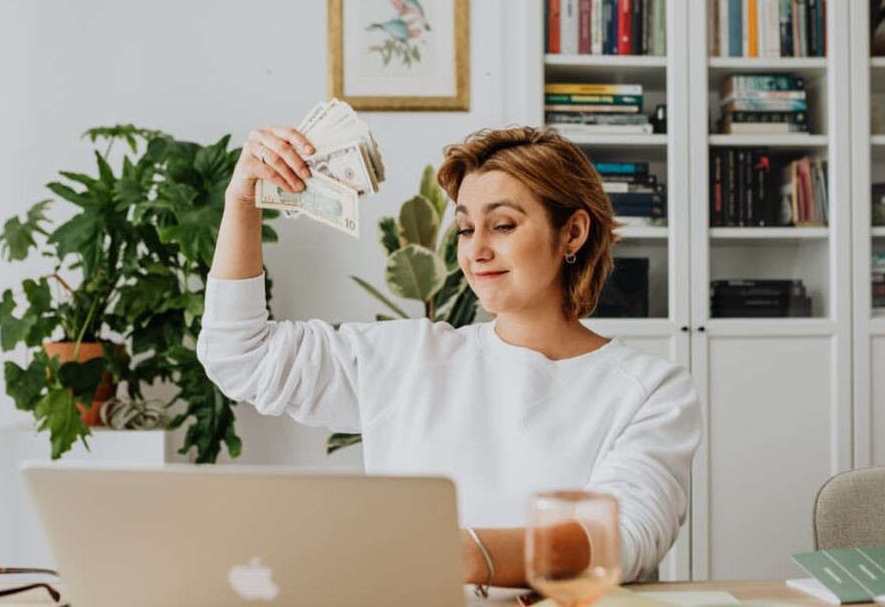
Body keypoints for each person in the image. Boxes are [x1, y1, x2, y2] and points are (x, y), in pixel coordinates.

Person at [197, 124, 701, 592]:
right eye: (464, 229)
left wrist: (459, 552)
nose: (476, 250)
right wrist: (242, 203)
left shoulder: (651, 390)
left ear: (572, 233)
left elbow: (625, 539)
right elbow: (240, 355)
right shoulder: (407, 358)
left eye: (502, 225)